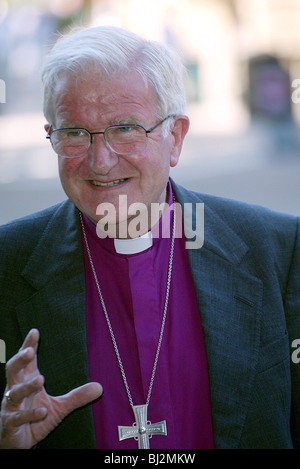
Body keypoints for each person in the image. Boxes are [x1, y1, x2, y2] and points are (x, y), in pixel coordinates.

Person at [0, 26, 299, 450]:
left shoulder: (280, 252)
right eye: (73, 133)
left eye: (124, 128)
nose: (100, 162)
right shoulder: (5, 264)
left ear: (174, 138)